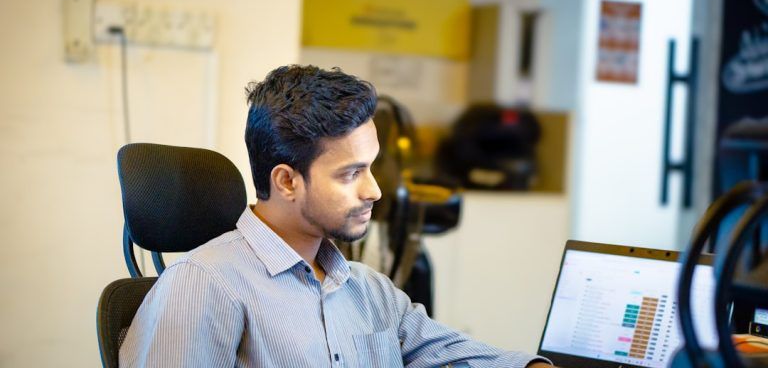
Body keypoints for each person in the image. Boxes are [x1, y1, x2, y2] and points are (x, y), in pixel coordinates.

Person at [120, 65, 553, 367]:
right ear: (287, 181)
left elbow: (457, 355)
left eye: (371, 168)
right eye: (351, 174)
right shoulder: (204, 285)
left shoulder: (367, 290)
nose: (374, 190)